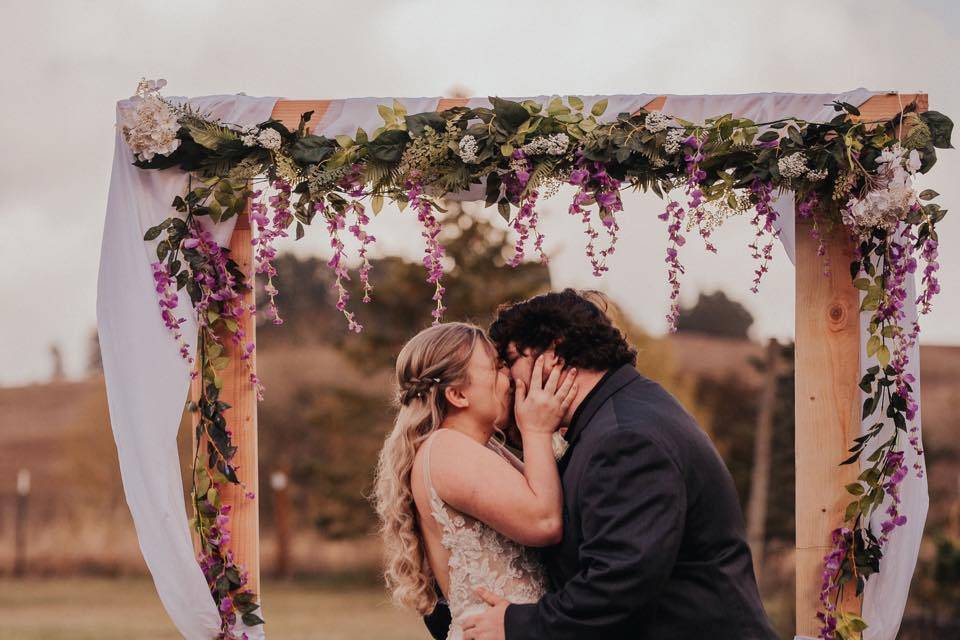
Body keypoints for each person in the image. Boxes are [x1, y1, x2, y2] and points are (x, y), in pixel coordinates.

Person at [452, 288, 779, 640]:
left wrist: (516, 625)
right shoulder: (619, 415)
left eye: (512, 361)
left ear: (554, 352)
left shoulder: (626, 439)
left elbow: (618, 587)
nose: (509, 382)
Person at [373, 322, 578, 640]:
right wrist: (536, 430)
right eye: (496, 368)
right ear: (457, 394)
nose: (508, 377)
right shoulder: (446, 449)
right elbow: (545, 523)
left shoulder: (478, 447)